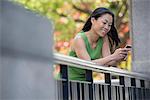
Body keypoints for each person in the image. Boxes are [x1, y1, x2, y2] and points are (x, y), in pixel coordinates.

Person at [68, 7, 130, 81]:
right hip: (68, 82)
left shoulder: (104, 38)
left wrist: (119, 57)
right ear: (93, 20)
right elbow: (88, 65)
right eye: (104, 23)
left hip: (86, 82)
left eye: (109, 25)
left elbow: (108, 63)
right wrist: (113, 56)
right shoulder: (79, 39)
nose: (107, 27)